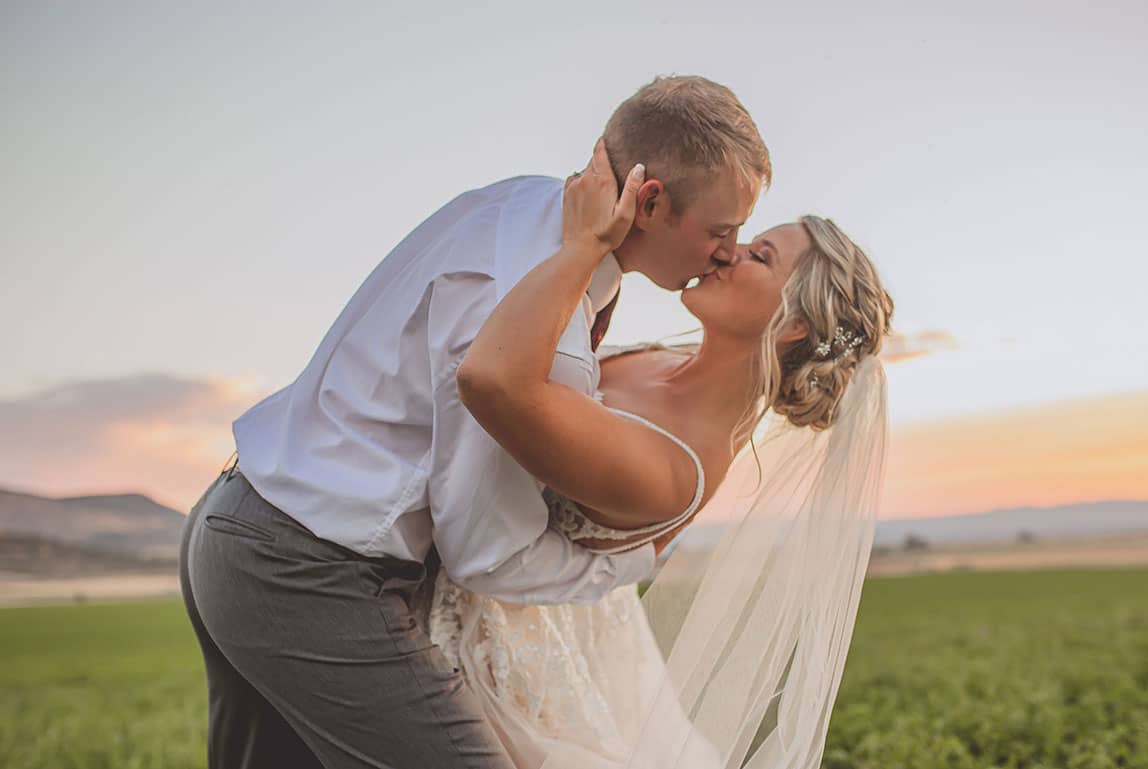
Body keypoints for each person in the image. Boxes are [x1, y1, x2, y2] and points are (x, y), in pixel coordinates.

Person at [178, 74, 770, 769]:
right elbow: (484, 550)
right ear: (649, 201)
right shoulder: (540, 339)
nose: (727, 251)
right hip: (305, 569)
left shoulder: (516, 203)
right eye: (720, 230)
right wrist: (628, 567)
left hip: (236, 523)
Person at [429, 141, 894, 768]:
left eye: (760, 255)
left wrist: (585, 245)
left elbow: (503, 388)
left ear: (792, 326)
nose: (728, 250)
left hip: (490, 652)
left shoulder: (676, 466)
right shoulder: (663, 357)